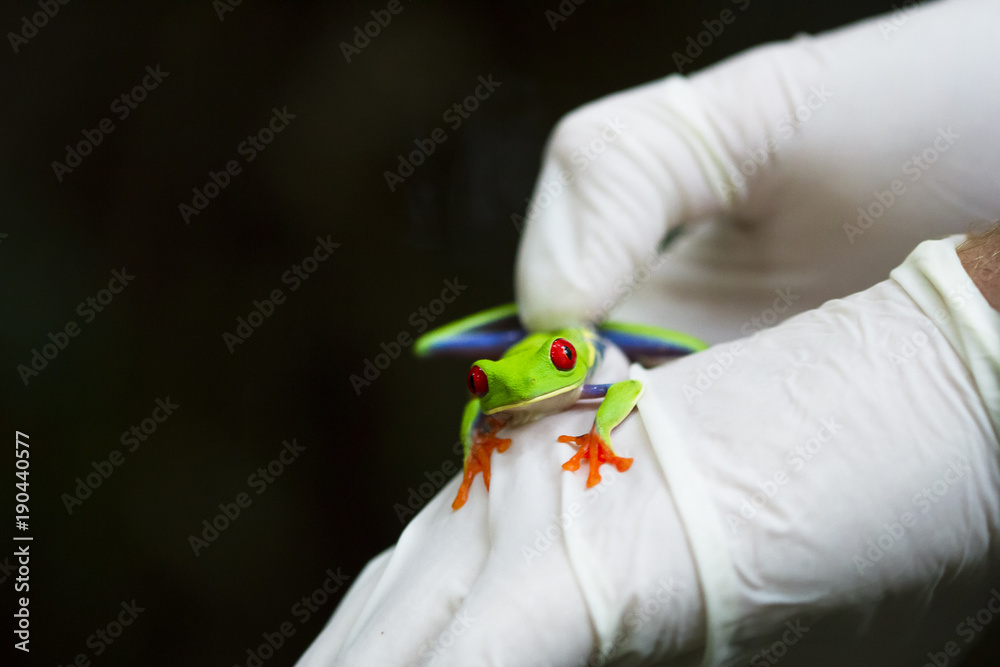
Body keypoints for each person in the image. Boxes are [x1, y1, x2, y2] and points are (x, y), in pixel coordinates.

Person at [297, 0, 1000, 664]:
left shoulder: (583, 367)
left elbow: (618, 390)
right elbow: (489, 414)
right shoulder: (498, 387)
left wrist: (965, 344)